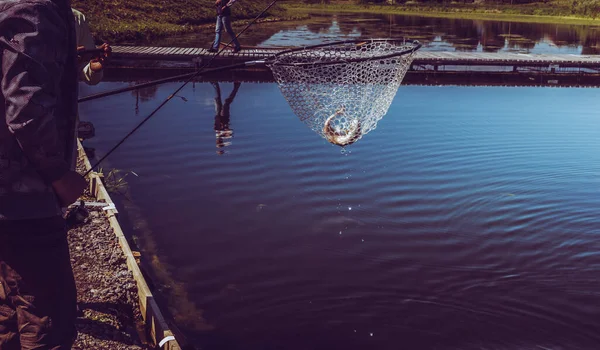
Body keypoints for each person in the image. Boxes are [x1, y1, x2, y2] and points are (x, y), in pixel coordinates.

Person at [0, 0, 87, 348]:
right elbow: (26, 109)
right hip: (22, 196)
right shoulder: (35, 8)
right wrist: (59, 175)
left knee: (9, 305)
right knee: (48, 315)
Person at [72, 8, 111, 86]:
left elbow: (85, 69)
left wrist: (93, 68)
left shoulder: (77, 17)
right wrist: (68, 56)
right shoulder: (41, 16)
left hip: (66, 95)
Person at [212, 81, 241, 154]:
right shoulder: (225, 137)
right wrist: (225, 129)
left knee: (218, 99)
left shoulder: (217, 134)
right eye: (219, 143)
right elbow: (231, 133)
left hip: (218, 115)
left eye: (218, 143)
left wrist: (222, 129)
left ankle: (215, 84)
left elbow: (216, 126)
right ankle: (236, 87)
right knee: (226, 103)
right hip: (225, 117)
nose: (218, 141)